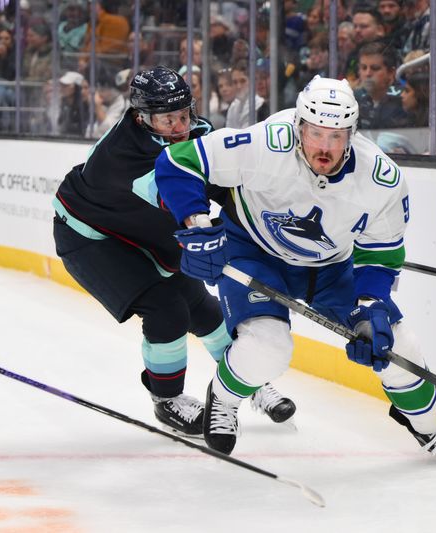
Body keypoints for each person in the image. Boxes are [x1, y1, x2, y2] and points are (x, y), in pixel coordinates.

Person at [152, 75, 436, 464]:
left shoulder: (381, 179)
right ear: (298, 125)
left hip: (330, 267)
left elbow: (379, 254)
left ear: (352, 133)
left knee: (398, 343)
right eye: (316, 133)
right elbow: (178, 163)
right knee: (268, 348)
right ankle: (224, 400)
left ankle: (433, 431)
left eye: (337, 136)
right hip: (255, 252)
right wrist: (196, 226)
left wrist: (371, 306)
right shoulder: (264, 143)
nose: (325, 148)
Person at [51, 66, 296, 439]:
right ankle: (167, 401)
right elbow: (179, 198)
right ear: (141, 117)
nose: (180, 126)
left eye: (184, 114)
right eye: (168, 119)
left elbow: (225, 178)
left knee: (204, 310)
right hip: (92, 239)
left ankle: (245, 379)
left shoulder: (194, 131)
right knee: (166, 310)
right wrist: (223, 229)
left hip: (138, 228)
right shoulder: (119, 157)